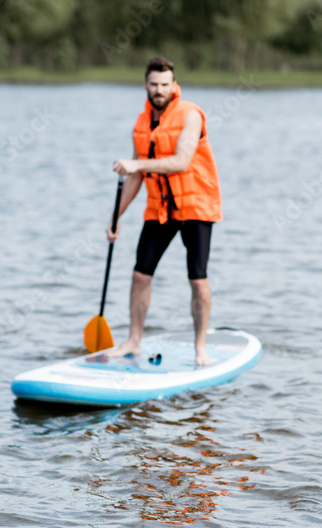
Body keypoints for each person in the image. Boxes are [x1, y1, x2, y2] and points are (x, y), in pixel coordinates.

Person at [108, 57, 222, 366]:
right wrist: (115, 218)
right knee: (139, 275)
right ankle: (133, 341)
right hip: (160, 209)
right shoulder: (141, 123)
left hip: (196, 206)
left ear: (174, 86)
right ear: (145, 85)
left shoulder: (191, 114)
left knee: (197, 280)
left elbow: (181, 161)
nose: (159, 90)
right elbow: (135, 178)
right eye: (154, 84)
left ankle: (201, 347)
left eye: (164, 84)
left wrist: (137, 164)